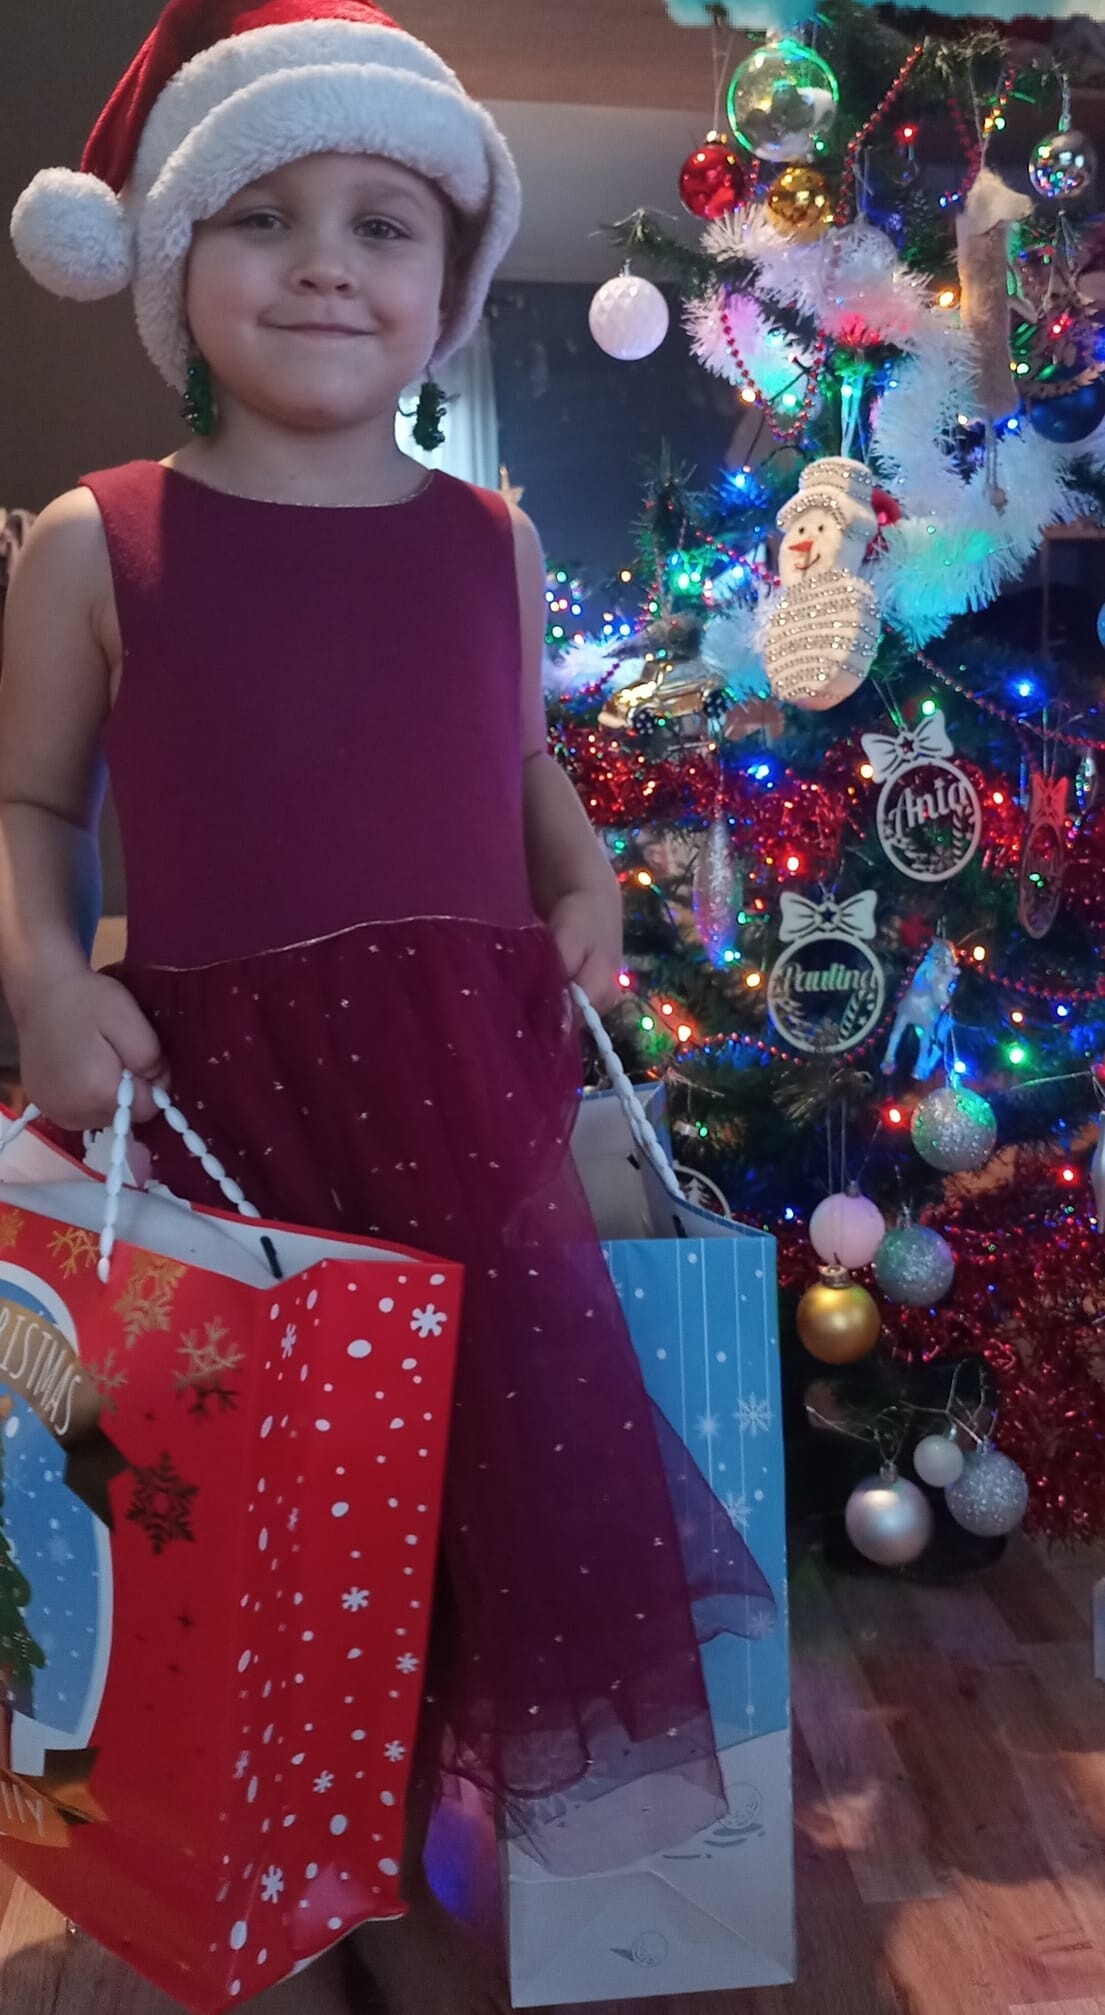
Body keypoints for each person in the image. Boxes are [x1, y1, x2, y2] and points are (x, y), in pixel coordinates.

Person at [2, 6, 775, 2013]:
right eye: (261, 216)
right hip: (214, 1106)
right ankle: (283, 1866)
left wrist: (582, 874)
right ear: (169, 263)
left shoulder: (488, 540)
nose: (325, 264)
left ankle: (403, 1851)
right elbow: (31, 806)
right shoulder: (99, 535)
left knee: (455, 1501)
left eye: (382, 223)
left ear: (447, 282)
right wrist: (45, 983)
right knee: (257, 1518)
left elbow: (512, 757)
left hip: (458, 1096)